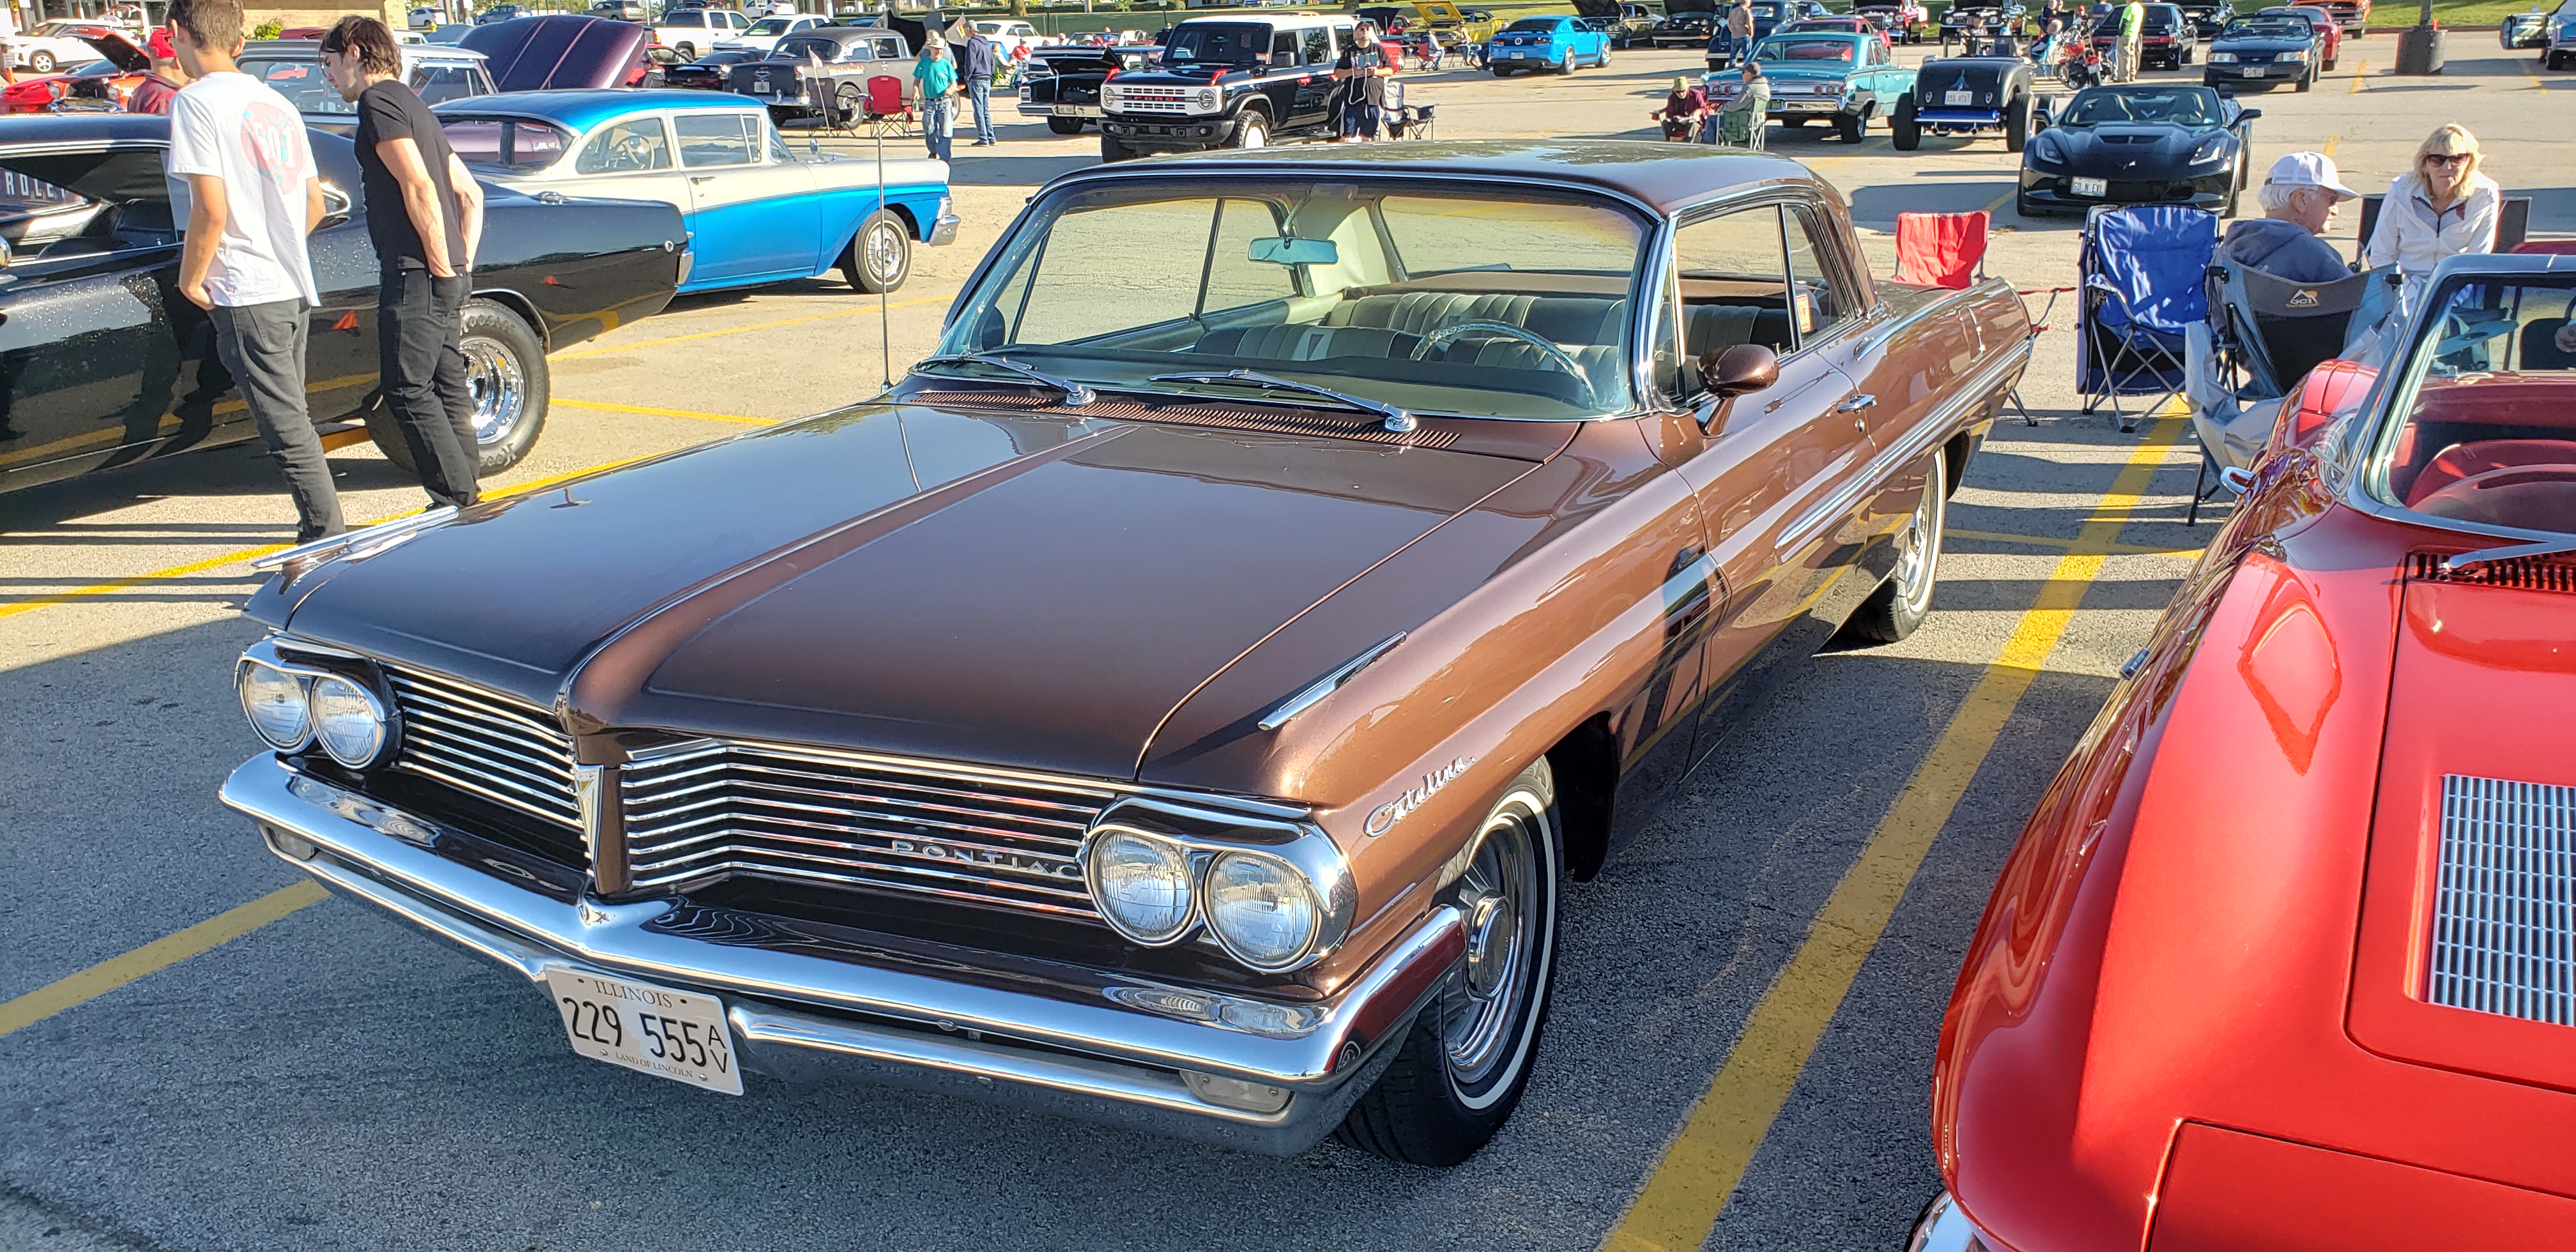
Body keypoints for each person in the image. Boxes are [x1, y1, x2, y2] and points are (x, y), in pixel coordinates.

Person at [164, 0, 339, 540]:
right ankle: (325, 534)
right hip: (291, 283)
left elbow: (210, 208)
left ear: (175, 31)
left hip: (246, 289)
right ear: (239, 41)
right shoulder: (277, 102)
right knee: (295, 420)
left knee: (286, 431)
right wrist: (273, 239)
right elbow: (315, 204)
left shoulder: (194, 102)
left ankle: (327, 540)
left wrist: (191, 276)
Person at [321, 15, 485, 510]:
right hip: (446, 270)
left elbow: (418, 185)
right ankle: (469, 498)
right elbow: (471, 195)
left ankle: (456, 499)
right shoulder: (416, 105)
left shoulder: (378, 102)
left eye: (329, 62)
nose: (328, 75)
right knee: (446, 383)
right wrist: (460, 264)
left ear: (354, 52)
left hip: (418, 272)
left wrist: (438, 266)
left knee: (406, 389)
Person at [2363, 124, 2502, 291]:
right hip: (2405, 285)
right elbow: (2381, 255)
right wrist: (2399, 293)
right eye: (2438, 159)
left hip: (2456, 285)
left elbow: (2478, 258)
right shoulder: (2400, 193)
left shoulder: (2485, 195)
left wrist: (2452, 295)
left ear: (2470, 163)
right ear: (2424, 164)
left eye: (2457, 159)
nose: (2447, 167)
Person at [2219, 152, 2360, 284]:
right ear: (2300, 200)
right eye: (2332, 200)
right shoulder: (2315, 254)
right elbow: (2360, 297)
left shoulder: (2227, 248)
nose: (2335, 210)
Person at [1336, 22, 1390, 142]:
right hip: (1353, 101)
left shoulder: (1379, 50)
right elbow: (1338, 73)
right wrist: (1353, 72)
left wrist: (1376, 72)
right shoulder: (1349, 52)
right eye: (1361, 29)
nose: (1364, 32)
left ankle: (1366, 154)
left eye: (1367, 29)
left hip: (1372, 101)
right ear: (1355, 34)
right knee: (1346, 136)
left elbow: (1390, 71)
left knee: (1368, 136)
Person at [912, 34, 957, 162]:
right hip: (930, 102)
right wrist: (916, 91)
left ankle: (944, 157)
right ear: (931, 49)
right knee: (929, 129)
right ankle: (933, 151)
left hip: (944, 102)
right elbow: (917, 80)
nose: (939, 52)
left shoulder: (946, 65)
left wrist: (951, 89)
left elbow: (954, 83)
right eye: (936, 49)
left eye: (941, 50)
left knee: (945, 130)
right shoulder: (924, 63)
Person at [1712, 59, 1768, 148]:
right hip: (1758, 121)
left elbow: (1735, 106)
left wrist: (1722, 108)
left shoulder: (1750, 88)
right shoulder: (1764, 86)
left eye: (1743, 72)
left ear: (1749, 74)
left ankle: (1710, 147)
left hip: (1743, 122)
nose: (1742, 75)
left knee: (1713, 119)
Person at [960, 23, 997, 147]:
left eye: (965, 29)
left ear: (969, 29)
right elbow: (992, 61)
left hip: (976, 78)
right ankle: (991, 137)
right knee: (985, 109)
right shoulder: (986, 43)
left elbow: (971, 61)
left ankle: (983, 138)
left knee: (978, 110)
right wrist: (990, 73)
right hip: (987, 78)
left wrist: (967, 76)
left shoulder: (972, 43)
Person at [1653, 75, 1710, 142]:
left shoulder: (1696, 95)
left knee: (1693, 124)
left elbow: (1704, 109)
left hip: (1693, 121)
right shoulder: (1672, 98)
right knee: (1666, 123)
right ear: (1675, 91)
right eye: (1678, 92)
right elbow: (1669, 113)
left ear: (1687, 89)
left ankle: (1687, 142)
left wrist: (1698, 111)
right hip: (1679, 123)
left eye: (1683, 91)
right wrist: (1676, 118)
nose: (1681, 94)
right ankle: (1670, 141)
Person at [2115, 0, 2143, 82]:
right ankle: (2132, 74)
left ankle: (2124, 76)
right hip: (2134, 34)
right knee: (2132, 55)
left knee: (2123, 55)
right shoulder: (2139, 7)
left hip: (2126, 34)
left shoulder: (2130, 8)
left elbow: (2125, 21)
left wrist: (2120, 33)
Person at [1725, 0, 1753, 65]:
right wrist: (1751, 34)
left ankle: (1731, 69)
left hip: (1735, 36)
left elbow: (1729, 23)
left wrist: (1733, 31)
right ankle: (1747, 69)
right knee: (1747, 56)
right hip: (1744, 35)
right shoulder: (1746, 11)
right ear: (1746, 2)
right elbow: (1750, 24)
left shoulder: (1733, 11)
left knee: (1733, 56)